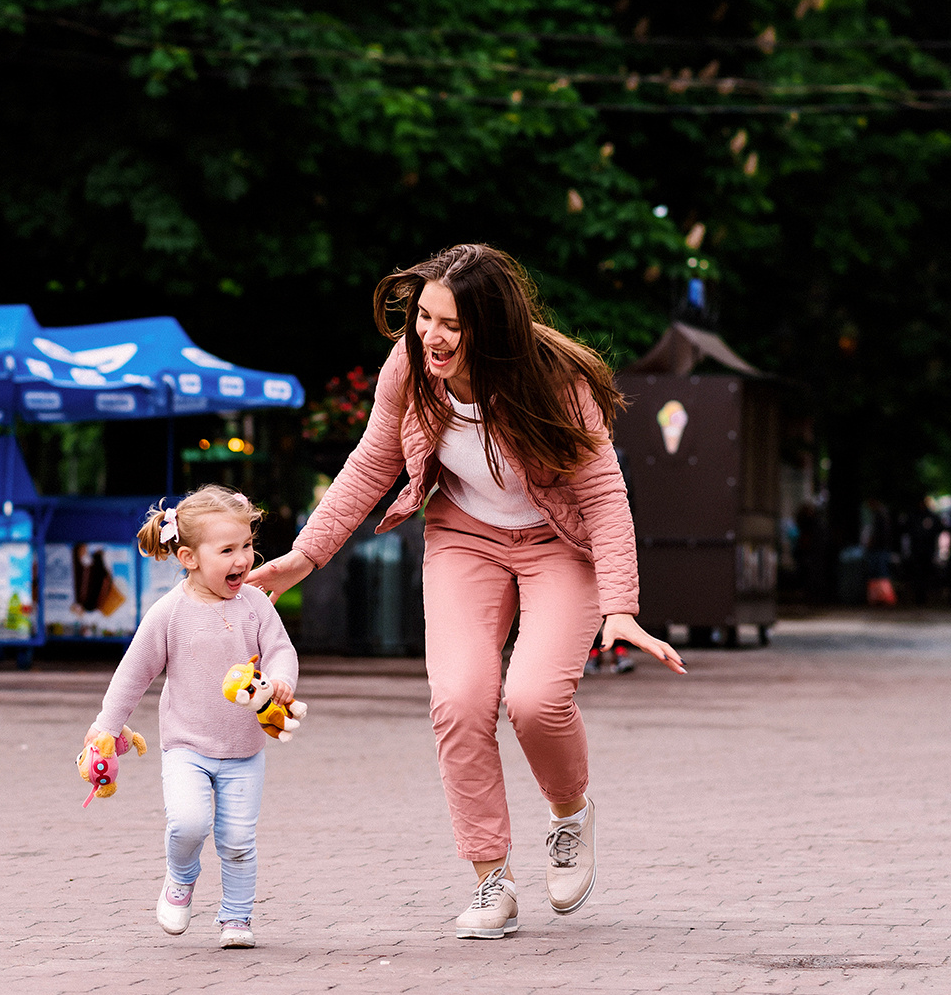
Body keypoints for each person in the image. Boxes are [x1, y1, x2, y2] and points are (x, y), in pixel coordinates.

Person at [247, 243, 683, 940]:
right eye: (424, 318)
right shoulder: (412, 369)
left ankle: (570, 814)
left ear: (492, 325)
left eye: (450, 323)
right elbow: (370, 464)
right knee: (459, 700)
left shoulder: (553, 380)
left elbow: (602, 494)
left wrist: (620, 607)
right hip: (464, 538)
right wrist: (305, 556)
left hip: (556, 543)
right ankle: (491, 880)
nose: (431, 336)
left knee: (535, 699)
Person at [88, 485, 297, 950]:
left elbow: (282, 651)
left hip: (245, 750)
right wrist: (105, 726)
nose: (243, 559)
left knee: (239, 839)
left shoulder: (257, 605)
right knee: (188, 823)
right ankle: (180, 877)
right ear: (189, 557)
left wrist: (282, 680)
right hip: (186, 747)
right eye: (227, 550)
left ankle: (237, 918)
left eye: (247, 546)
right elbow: (133, 674)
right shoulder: (169, 613)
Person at [905, 498, 944, 605]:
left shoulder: (932, 517)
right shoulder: (914, 516)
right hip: (917, 550)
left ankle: (926, 596)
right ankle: (919, 596)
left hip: (928, 551)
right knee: (918, 574)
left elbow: (939, 529)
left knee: (927, 574)